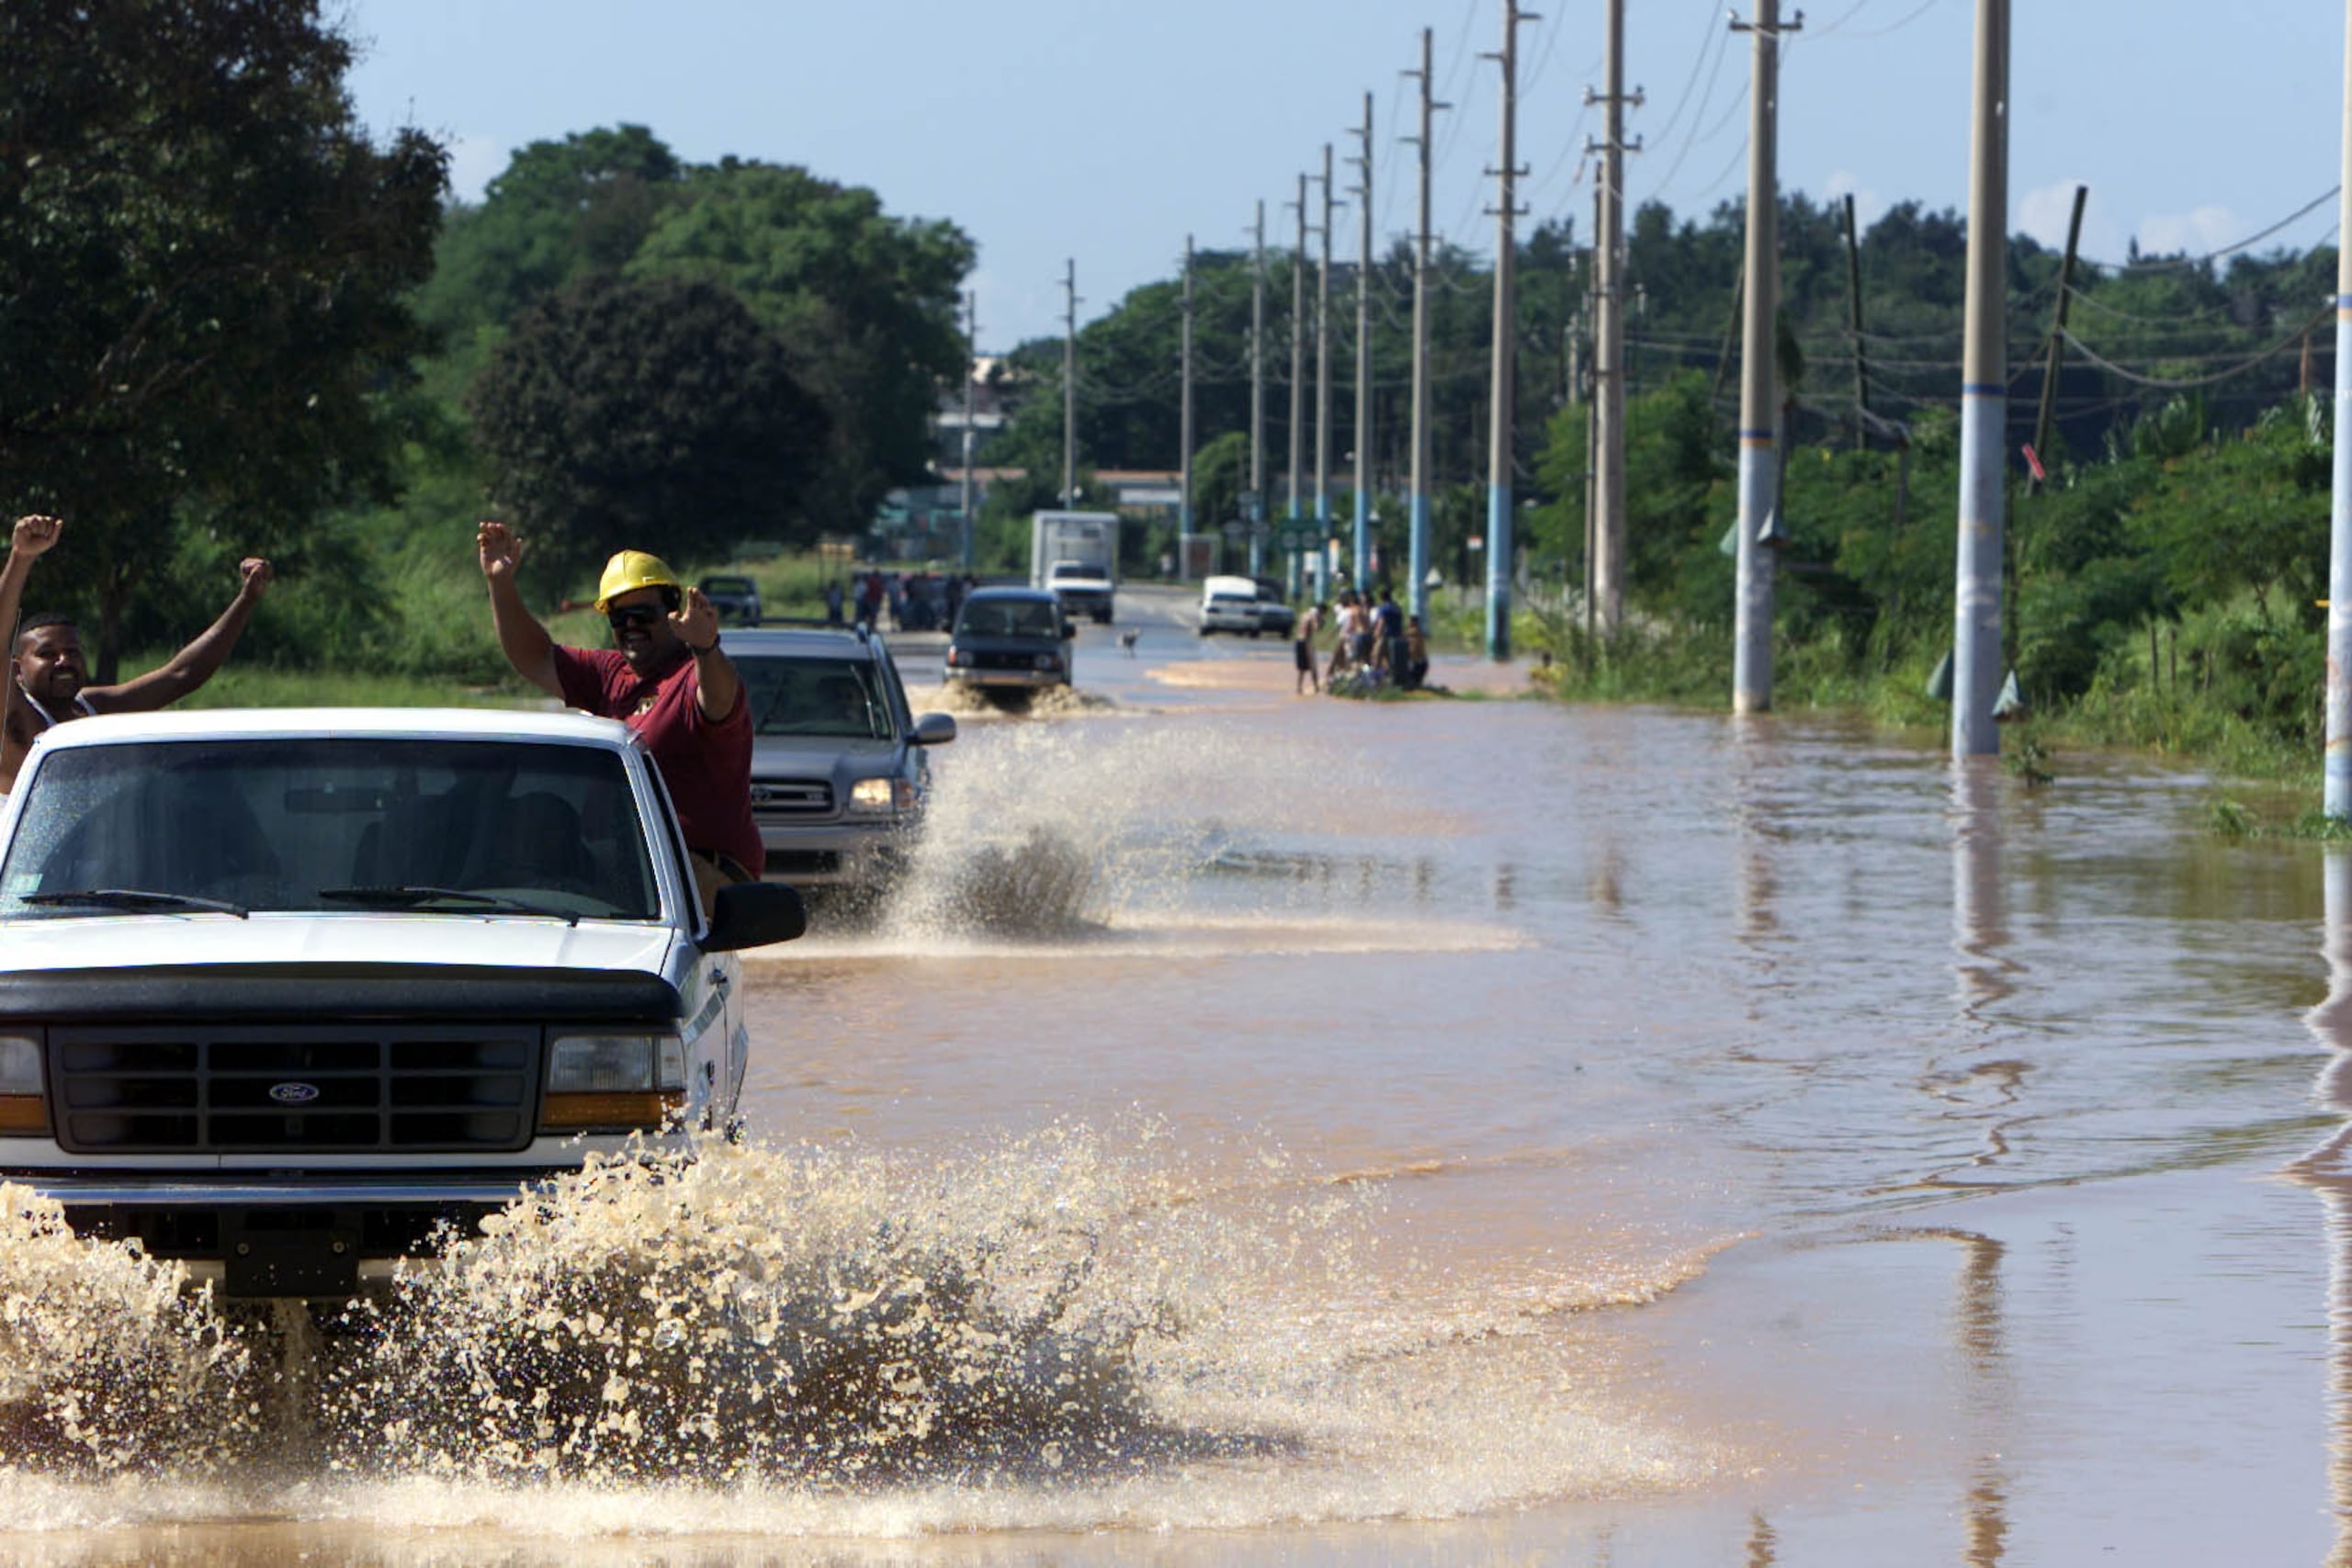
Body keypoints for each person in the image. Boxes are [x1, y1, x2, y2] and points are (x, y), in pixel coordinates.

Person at [477, 521, 763, 915]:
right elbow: (537, 658)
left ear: (672, 612)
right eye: (618, 618)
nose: (630, 627)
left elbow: (719, 699)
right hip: (636, 867)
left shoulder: (691, 677)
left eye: (643, 614)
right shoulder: (611, 675)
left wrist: (707, 648)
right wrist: (500, 582)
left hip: (702, 871)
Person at [0, 538, 272, 794]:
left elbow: (181, 675)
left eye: (72, 651)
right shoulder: (15, 718)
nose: (64, 661)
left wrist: (247, 599)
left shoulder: (93, 708)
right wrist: (20, 558)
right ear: (17, 671)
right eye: (47, 654)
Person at [1293, 600, 1325, 695]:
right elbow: (1316, 628)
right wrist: (1321, 621)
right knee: (1313, 665)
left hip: (1298, 640)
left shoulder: (1304, 614)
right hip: (1306, 642)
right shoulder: (1314, 615)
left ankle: (1299, 687)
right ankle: (1316, 687)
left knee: (1301, 668)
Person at [1401, 615, 1430, 692]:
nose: (1407, 623)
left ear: (1413, 622)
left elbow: (1412, 651)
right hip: (1423, 663)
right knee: (1417, 684)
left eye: (1409, 621)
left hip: (1418, 665)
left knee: (1412, 685)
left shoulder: (1413, 634)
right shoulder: (1417, 633)